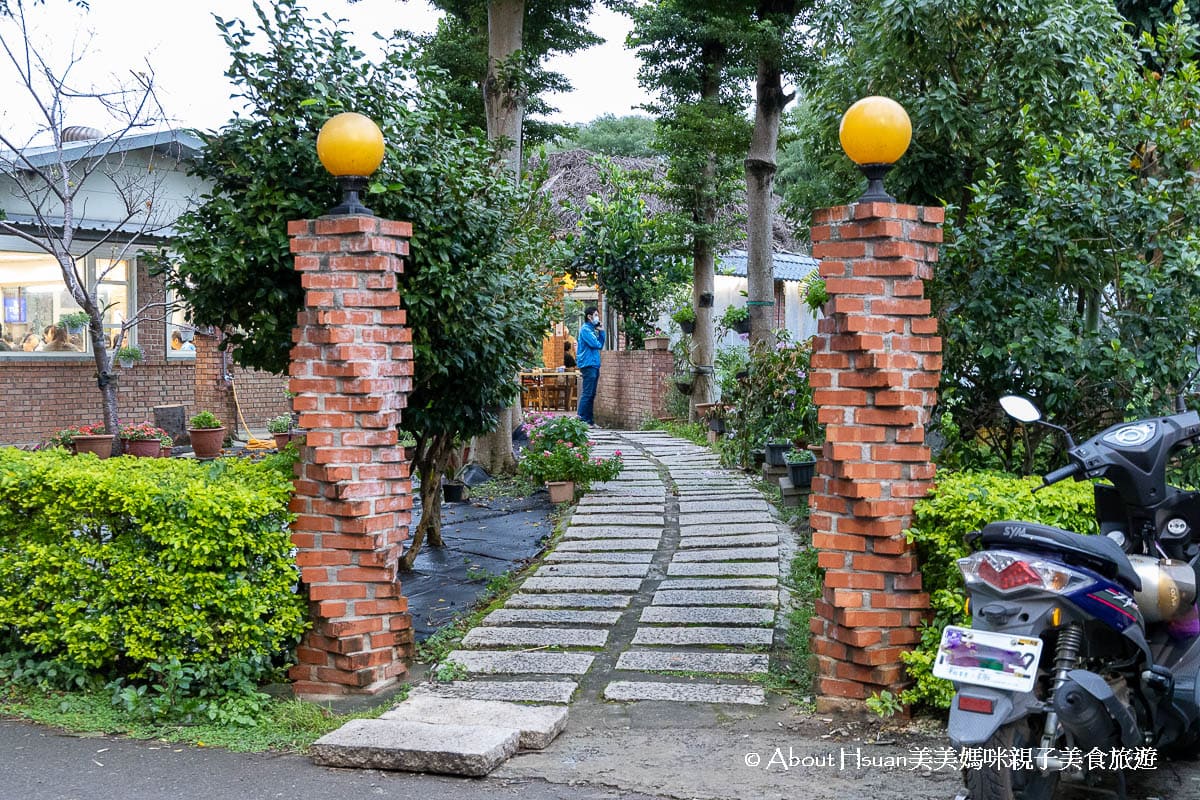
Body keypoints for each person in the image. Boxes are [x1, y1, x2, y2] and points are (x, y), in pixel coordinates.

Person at [576, 306, 605, 425]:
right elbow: (597, 344)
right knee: (587, 393)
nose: (597, 318)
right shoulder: (586, 330)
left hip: (594, 364)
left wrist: (600, 331)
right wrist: (601, 332)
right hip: (588, 364)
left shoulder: (592, 330)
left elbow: (599, 345)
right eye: (596, 315)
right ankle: (582, 419)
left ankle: (589, 421)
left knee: (592, 393)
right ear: (589, 317)